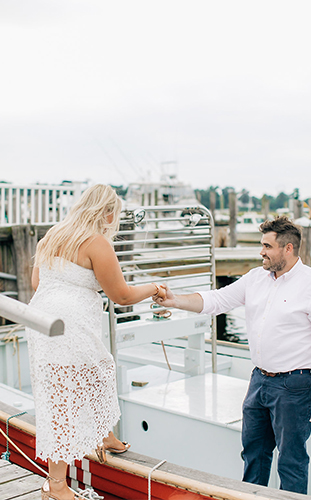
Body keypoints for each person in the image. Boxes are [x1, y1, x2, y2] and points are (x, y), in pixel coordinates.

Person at [154, 215, 311, 494]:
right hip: (259, 380)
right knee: (253, 454)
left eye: (267, 246)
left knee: (291, 461)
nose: (261, 252)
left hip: (297, 386)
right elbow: (217, 300)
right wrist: (175, 300)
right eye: (262, 245)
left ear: (288, 249)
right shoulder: (256, 278)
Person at [26, 184, 165, 500]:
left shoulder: (52, 236)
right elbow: (122, 295)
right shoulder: (95, 243)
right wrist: (154, 288)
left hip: (42, 321)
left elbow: (37, 283)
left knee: (96, 372)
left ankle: (104, 435)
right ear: (106, 212)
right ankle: (56, 484)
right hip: (69, 324)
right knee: (65, 398)